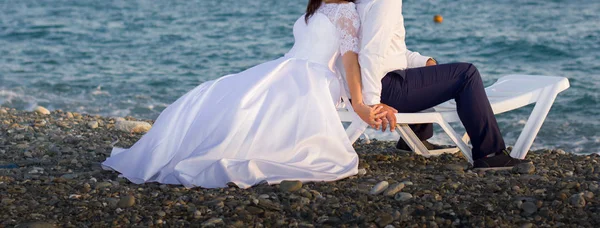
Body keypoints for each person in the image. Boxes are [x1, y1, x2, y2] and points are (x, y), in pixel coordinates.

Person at [102, 0, 385, 188]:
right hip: (286, 66)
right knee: (216, 93)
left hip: (313, 77)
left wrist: (358, 103)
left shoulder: (347, 11)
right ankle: (186, 148)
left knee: (250, 102)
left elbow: (350, 61)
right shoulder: (318, 7)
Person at [340, 0, 532, 170]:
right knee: (466, 74)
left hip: (363, 84)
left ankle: (413, 141)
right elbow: (371, 55)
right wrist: (373, 101)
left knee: (423, 74)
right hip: (382, 88)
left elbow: (390, 51)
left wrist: (424, 61)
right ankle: (490, 155)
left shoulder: (358, 3)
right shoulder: (385, 2)